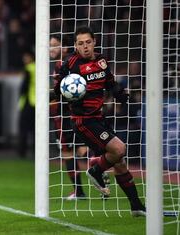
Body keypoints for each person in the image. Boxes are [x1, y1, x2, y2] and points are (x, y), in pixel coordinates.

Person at [54, 26, 146, 216]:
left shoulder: (102, 61)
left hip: (99, 119)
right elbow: (58, 90)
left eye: (88, 42)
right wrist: (67, 95)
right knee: (119, 149)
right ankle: (96, 170)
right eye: (80, 43)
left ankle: (137, 206)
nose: (85, 46)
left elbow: (110, 83)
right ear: (75, 46)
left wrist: (120, 94)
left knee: (119, 162)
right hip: (83, 121)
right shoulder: (70, 63)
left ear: (94, 42)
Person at [50, 35, 86, 200]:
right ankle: (80, 190)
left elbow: (65, 93)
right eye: (50, 46)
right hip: (63, 114)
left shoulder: (64, 65)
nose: (51, 49)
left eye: (55, 45)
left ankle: (80, 190)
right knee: (75, 150)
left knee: (69, 151)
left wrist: (49, 96)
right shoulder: (59, 65)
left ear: (64, 48)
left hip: (66, 115)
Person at [17, 50, 35, 158]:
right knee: (35, 129)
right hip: (38, 103)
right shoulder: (38, 68)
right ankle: (35, 151)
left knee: (24, 128)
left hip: (29, 101)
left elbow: (24, 87)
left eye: (26, 57)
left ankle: (22, 152)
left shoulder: (28, 69)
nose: (24, 59)